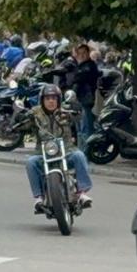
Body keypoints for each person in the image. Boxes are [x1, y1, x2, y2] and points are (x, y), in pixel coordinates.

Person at [24, 84, 92, 212]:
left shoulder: (65, 110)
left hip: (66, 151)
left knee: (79, 156)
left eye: (54, 98)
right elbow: (22, 125)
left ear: (58, 100)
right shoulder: (35, 112)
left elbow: (78, 117)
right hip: (43, 153)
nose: (51, 101)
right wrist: (19, 118)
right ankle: (39, 197)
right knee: (30, 162)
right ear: (42, 100)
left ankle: (82, 192)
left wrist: (77, 109)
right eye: (47, 98)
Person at [69, 43, 103, 141]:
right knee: (81, 128)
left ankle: (87, 150)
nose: (82, 55)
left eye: (84, 53)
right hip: (80, 100)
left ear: (88, 53)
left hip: (88, 101)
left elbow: (80, 77)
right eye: (80, 53)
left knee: (87, 127)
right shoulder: (80, 66)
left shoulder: (89, 66)